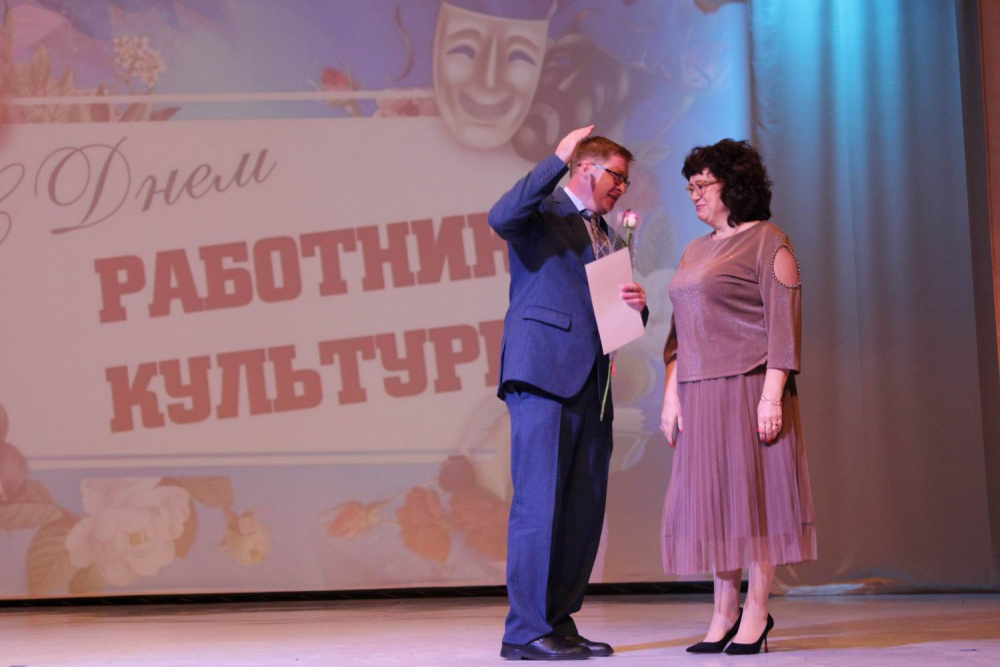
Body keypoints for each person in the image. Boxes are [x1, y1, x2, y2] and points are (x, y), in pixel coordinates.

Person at [490, 125, 648, 661]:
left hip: (593, 381)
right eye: (616, 176)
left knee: (582, 508)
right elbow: (501, 217)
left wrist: (637, 306)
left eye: (626, 181)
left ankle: (558, 620)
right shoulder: (544, 210)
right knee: (539, 503)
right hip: (543, 372)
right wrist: (555, 158)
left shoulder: (607, 235)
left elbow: (614, 316)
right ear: (586, 168)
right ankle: (525, 631)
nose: (621, 187)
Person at [660, 139, 817, 655]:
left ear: (735, 184)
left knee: (756, 499)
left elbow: (783, 326)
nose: (694, 194)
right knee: (716, 504)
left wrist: (771, 397)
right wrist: (671, 395)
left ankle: (756, 611)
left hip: (750, 385)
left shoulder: (769, 240)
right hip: (699, 390)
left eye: (702, 184)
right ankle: (723, 612)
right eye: (690, 186)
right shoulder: (694, 249)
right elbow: (680, 332)